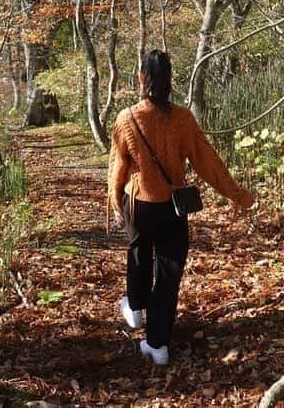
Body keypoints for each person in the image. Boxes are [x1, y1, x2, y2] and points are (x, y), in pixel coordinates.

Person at [107, 49, 256, 365]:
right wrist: (238, 194)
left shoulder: (126, 118)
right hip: (173, 208)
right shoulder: (183, 118)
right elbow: (207, 162)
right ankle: (158, 344)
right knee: (169, 273)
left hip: (138, 203)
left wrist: (115, 200)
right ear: (170, 81)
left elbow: (118, 167)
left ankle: (135, 309)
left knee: (138, 251)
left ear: (141, 78)